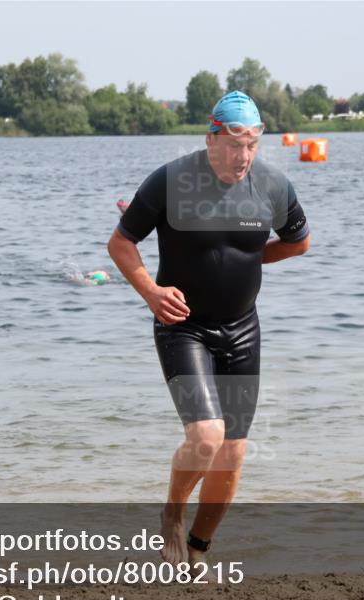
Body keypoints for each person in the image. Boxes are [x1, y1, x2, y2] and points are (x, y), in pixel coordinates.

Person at [107, 91, 311, 567]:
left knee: (233, 452)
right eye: (235, 144)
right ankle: (172, 514)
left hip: (242, 330)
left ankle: (198, 550)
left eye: (253, 145)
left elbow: (298, 242)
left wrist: (245, 258)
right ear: (211, 138)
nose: (244, 157)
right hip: (184, 328)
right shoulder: (172, 181)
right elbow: (121, 244)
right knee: (205, 436)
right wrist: (151, 292)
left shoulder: (272, 185)